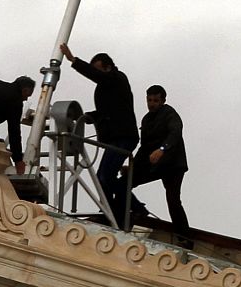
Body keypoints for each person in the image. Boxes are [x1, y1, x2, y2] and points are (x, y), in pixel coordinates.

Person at [60, 43, 138, 214]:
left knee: (104, 177)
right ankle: (117, 210)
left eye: (98, 70)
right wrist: (85, 116)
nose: (96, 74)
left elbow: (99, 78)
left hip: (123, 137)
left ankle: (119, 211)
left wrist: (73, 60)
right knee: (103, 177)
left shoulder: (117, 78)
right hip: (116, 137)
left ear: (108, 68)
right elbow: (107, 111)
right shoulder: (107, 86)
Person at [114, 85, 189, 247]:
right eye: (149, 100)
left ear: (163, 100)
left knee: (173, 199)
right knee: (123, 183)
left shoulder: (170, 114)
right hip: (155, 164)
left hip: (172, 164)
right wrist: (133, 167)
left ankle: (184, 237)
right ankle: (127, 216)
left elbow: (175, 134)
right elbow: (144, 147)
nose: (152, 104)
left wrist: (162, 150)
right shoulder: (147, 120)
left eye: (155, 100)